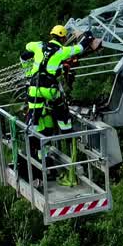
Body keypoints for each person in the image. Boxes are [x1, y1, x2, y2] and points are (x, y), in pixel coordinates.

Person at [25, 24, 100, 186]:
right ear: (63, 38)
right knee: (62, 113)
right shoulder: (61, 51)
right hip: (48, 90)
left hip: (33, 88)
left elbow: (25, 51)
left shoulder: (39, 46)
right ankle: (67, 132)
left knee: (34, 121)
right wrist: (88, 35)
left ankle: (35, 151)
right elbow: (80, 47)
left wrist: (27, 70)